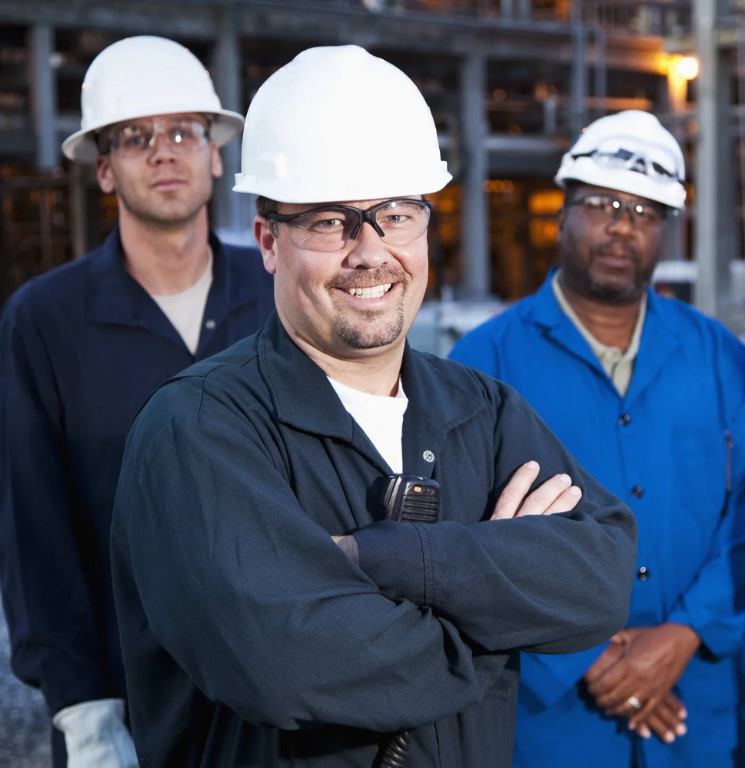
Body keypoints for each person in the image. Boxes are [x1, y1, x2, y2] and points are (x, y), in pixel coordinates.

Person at [108, 45, 637, 768]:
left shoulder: (479, 411)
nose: (371, 252)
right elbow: (285, 666)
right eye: (330, 222)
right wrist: (492, 613)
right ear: (268, 240)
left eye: (395, 215)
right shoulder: (198, 431)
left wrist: (388, 560)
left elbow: (603, 576)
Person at [450, 110, 745, 768]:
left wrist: (684, 635)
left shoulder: (716, 355)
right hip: (550, 723)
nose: (622, 224)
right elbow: (463, 540)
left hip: (699, 711)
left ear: (665, 231)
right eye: (601, 203)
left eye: (645, 210)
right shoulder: (484, 362)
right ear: (563, 212)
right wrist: (583, 659)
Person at [0, 36, 274, 768]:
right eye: (137, 137)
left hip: (277, 694)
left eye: (184, 131)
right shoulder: (45, 320)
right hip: (127, 708)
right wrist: (84, 717)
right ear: (105, 170)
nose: (164, 152)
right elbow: (36, 534)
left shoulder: (280, 299)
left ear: (216, 154)